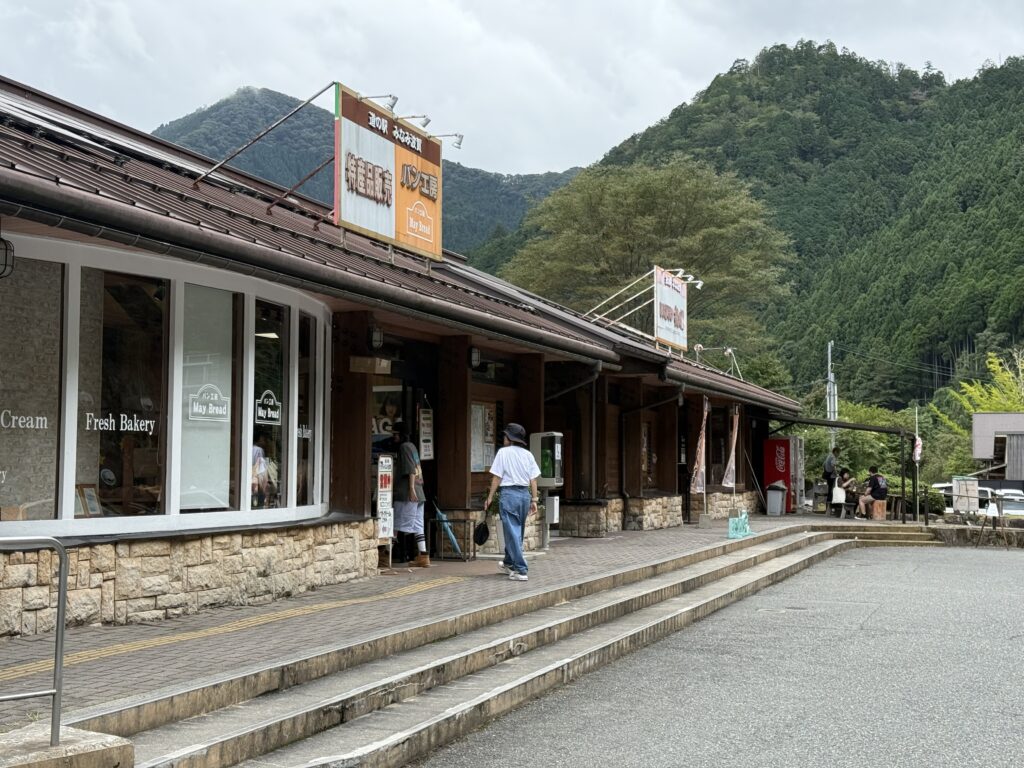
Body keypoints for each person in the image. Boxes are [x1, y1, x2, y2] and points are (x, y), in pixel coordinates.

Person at [484, 423, 540, 582]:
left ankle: (521, 570)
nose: (503, 438)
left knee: (512, 532)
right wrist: (534, 500)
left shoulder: (503, 453)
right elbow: (533, 479)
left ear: (510, 438)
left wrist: (490, 497)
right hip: (524, 495)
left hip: (509, 495)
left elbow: (497, 477)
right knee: (517, 531)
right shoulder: (528, 455)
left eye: (505, 436)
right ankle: (509, 562)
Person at [393, 428, 429, 567]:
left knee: (395, 523)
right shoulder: (412, 446)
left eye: (396, 434)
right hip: (420, 492)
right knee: (418, 524)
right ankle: (423, 556)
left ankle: (385, 555)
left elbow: (411, 470)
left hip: (407, 492)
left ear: (401, 435)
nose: (394, 437)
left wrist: (411, 489)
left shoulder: (404, 447)